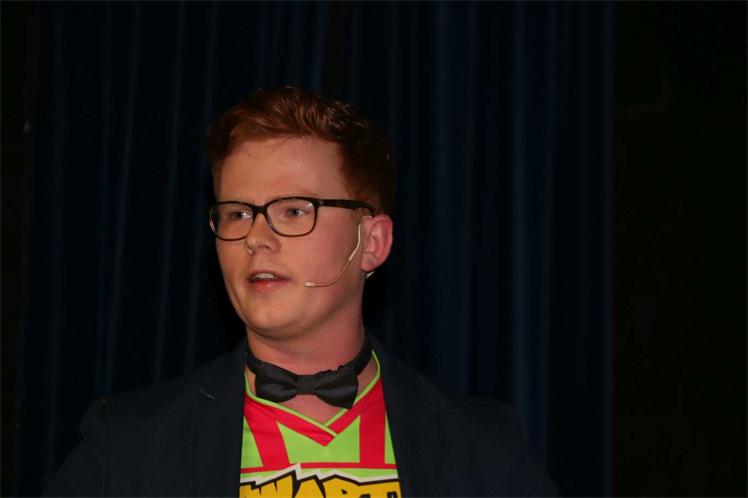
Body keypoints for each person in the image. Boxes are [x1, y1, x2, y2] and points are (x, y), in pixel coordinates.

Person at [44, 87, 557, 497]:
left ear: (372, 242)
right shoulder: (126, 449)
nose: (255, 237)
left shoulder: (484, 451)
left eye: (293, 210)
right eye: (237, 213)